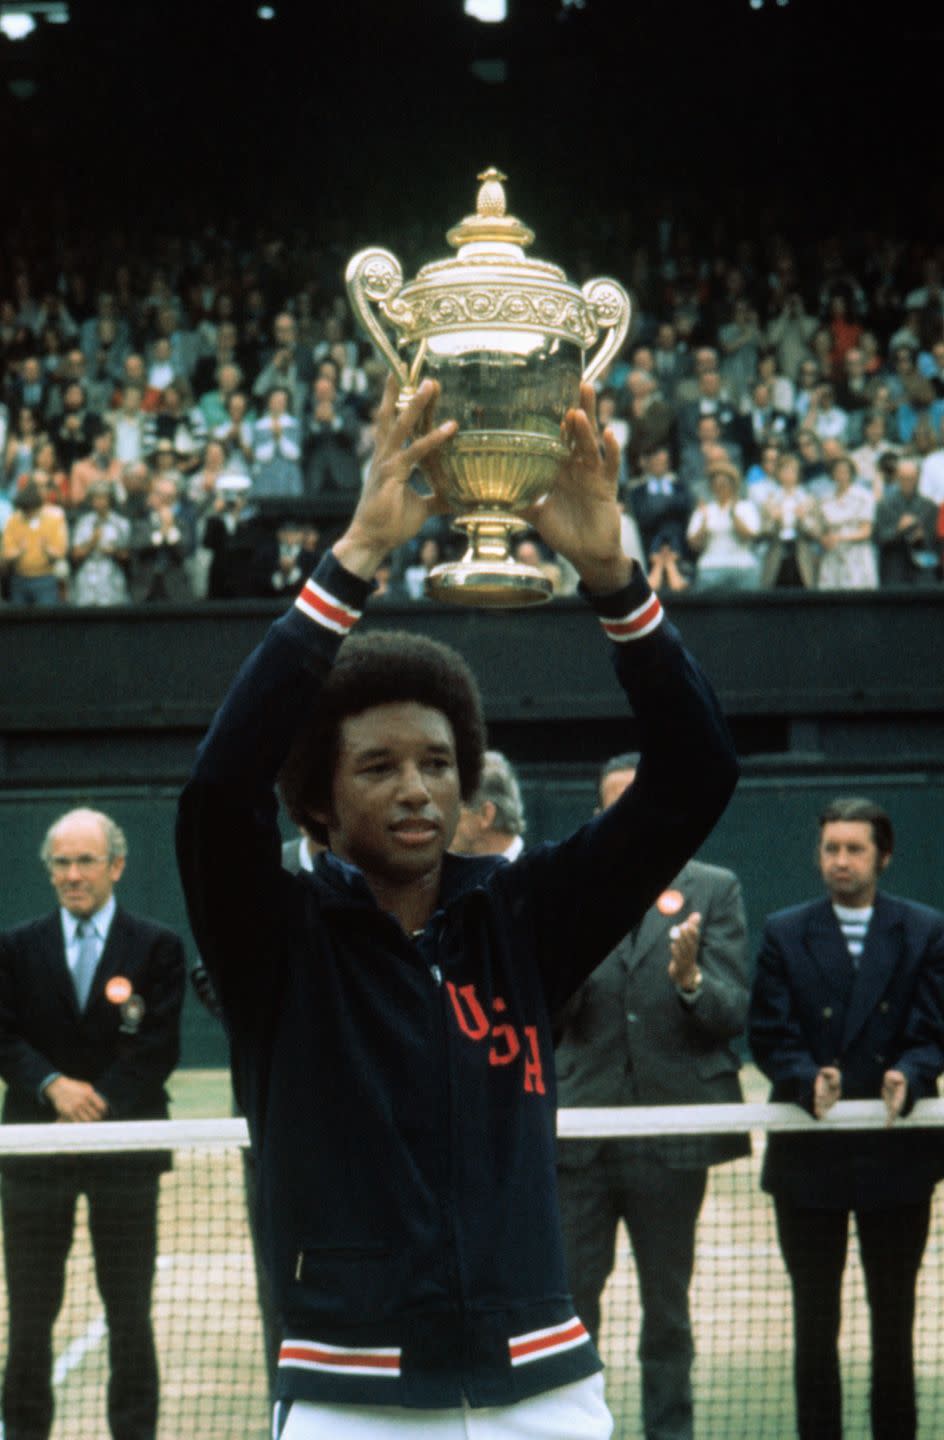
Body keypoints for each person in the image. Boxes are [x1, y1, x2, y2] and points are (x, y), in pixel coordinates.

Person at [176, 376, 738, 1438]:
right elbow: (215, 794)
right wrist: (350, 565)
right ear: (317, 804)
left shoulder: (522, 921)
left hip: (544, 1389)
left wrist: (615, 580)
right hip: (352, 1399)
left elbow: (696, 774)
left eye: (439, 763)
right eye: (378, 766)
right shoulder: (277, 946)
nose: (418, 789)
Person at [555, 753, 749, 1440]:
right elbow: (544, 1017)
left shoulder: (713, 889)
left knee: (667, 1313)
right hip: (581, 1139)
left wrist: (691, 978)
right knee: (573, 1307)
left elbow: (730, 1013)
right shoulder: (571, 888)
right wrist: (570, 960)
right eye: (613, 804)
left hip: (671, 1142)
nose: (625, 815)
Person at [748, 797, 944, 1440]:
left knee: (894, 1323)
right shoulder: (783, 930)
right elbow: (769, 1034)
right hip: (811, 1161)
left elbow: (934, 1030)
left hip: (898, 1159)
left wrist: (909, 1074)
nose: (840, 860)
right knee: (814, 1325)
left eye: (854, 848)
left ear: (882, 856)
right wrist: (808, 1079)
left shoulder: (924, 930)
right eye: (831, 847)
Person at [0, 807, 186, 1440]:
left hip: (126, 1154)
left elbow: (158, 1047)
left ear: (117, 866)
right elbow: (3, 1037)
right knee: (29, 1316)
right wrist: (52, 1087)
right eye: (61, 862)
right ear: (49, 871)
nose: (72, 874)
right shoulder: (15, 947)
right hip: (34, 1154)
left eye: (85, 861)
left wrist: (95, 1101)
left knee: (130, 1313)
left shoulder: (157, 945)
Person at [450, 750, 527, 861]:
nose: (443, 822)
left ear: (486, 814)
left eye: (453, 811)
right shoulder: (459, 873)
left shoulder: (541, 876)